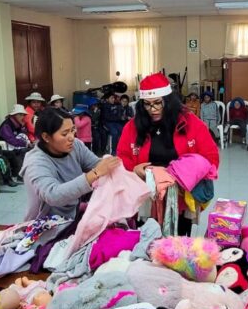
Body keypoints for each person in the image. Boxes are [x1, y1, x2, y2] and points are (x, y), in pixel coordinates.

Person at [117, 73, 219, 236]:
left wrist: (185, 175)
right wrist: (133, 169)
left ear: (169, 102)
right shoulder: (133, 126)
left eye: (158, 103)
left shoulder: (190, 122)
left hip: (181, 197)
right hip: (146, 198)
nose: (153, 110)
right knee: (147, 241)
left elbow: (211, 157)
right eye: (147, 105)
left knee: (177, 242)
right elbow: (122, 157)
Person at [21, 108, 121, 221]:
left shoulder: (75, 146)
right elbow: (53, 195)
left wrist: (114, 166)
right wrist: (95, 173)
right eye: (64, 134)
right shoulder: (36, 162)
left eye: (73, 130)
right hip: (47, 222)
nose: (71, 137)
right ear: (46, 137)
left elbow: (96, 164)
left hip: (73, 213)